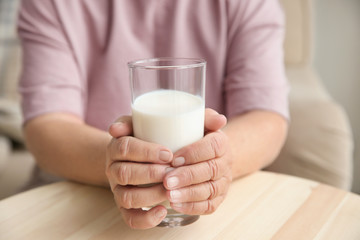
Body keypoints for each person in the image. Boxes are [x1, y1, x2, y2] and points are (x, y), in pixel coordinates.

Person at [17, 0, 289, 229]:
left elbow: (266, 116)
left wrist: (219, 160)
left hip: (211, 215)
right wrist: (116, 162)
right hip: (78, 203)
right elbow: (46, 125)